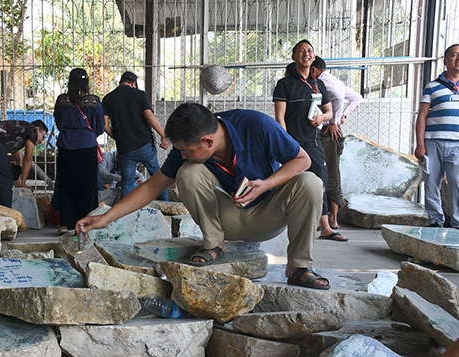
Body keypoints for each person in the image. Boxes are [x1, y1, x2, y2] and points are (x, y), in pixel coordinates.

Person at [77, 103, 331, 290]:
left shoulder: (256, 125)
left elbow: (303, 159)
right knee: (188, 172)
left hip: (267, 215)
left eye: (187, 151)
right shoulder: (188, 147)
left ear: (208, 141)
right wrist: (107, 219)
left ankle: (298, 267)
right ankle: (214, 243)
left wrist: (266, 184)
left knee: (310, 182)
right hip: (226, 218)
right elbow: (151, 187)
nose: (182, 155)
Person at [273, 40, 347, 242]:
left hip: (313, 142)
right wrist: (286, 142)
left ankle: (325, 227)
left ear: (313, 57)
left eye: (309, 51)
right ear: (294, 57)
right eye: (301, 51)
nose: (305, 54)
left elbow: (329, 111)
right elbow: (280, 117)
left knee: (320, 181)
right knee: (292, 182)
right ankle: (286, 225)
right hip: (293, 142)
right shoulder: (284, 84)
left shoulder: (318, 84)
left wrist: (323, 118)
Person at [311, 56, 363, 229]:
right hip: (325, 131)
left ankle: (332, 218)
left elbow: (340, 98)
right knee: (328, 172)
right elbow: (356, 97)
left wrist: (334, 120)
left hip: (329, 133)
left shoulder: (323, 81)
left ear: (314, 69)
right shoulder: (333, 79)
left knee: (330, 173)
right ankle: (328, 218)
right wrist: (343, 116)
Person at [101, 71, 169, 201]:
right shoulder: (139, 94)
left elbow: (105, 125)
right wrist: (163, 135)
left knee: (127, 184)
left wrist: (119, 138)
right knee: (158, 178)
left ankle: (126, 216)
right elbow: (150, 117)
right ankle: (165, 208)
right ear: (134, 83)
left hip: (125, 149)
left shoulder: (108, 98)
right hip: (145, 145)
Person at [51, 68, 105, 231]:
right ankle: (85, 223)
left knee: (66, 185)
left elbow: (59, 124)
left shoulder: (62, 101)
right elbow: (100, 127)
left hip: (66, 147)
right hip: (87, 147)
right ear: (86, 82)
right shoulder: (93, 101)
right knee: (87, 186)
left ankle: (66, 223)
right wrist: (86, 134)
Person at [415, 44, 459, 228]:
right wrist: (420, 144)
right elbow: (422, 116)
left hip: (457, 144)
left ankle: (457, 222)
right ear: (445, 60)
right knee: (432, 183)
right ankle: (435, 220)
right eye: (454, 55)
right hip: (432, 142)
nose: (458, 59)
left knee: (457, 183)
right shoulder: (433, 86)